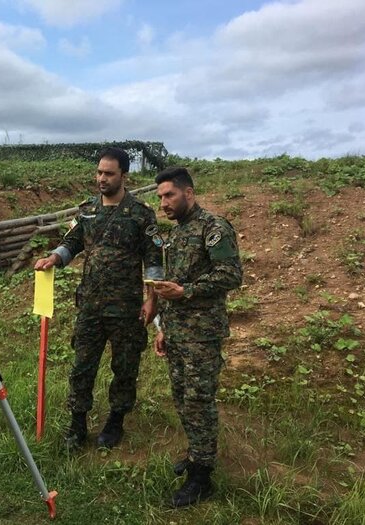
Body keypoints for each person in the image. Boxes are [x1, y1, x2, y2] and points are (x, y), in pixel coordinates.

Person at [34, 147, 163, 451]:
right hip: (90, 306)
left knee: (125, 367)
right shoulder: (87, 210)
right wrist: (55, 257)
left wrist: (151, 300)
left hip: (127, 308)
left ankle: (115, 420)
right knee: (82, 366)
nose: (102, 179)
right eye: (99, 172)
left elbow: (154, 261)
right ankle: (77, 424)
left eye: (109, 173)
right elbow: (73, 242)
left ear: (123, 176)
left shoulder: (141, 214)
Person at [151, 166, 242, 507]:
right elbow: (170, 285)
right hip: (177, 333)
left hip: (202, 336)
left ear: (189, 193)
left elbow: (231, 275)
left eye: (169, 195)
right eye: (160, 197)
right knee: (182, 398)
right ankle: (195, 455)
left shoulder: (213, 228)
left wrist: (187, 290)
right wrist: (162, 329)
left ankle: (202, 477)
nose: (164, 203)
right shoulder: (176, 234)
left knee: (199, 402)